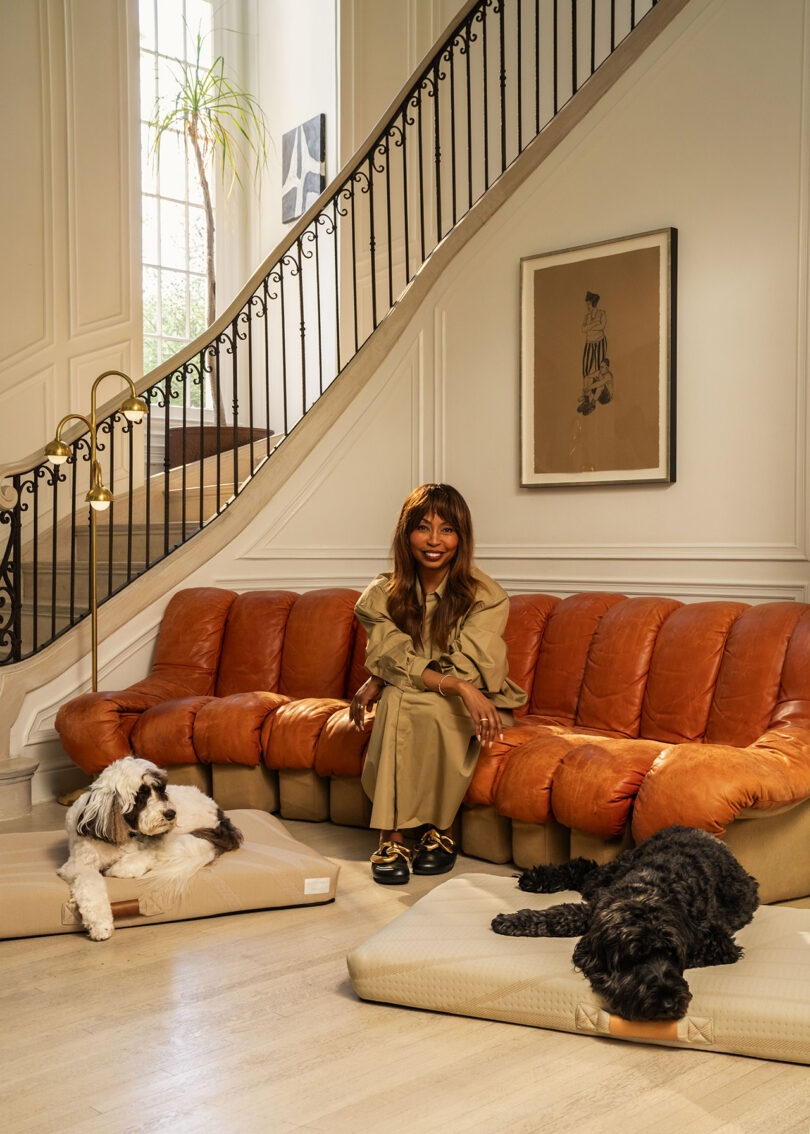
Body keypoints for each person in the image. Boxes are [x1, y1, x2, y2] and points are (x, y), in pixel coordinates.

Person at [349, 484, 527, 885]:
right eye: (423, 528)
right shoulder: (380, 595)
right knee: (400, 699)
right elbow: (390, 653)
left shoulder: (485, 596)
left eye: (447, 530)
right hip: (427, 693)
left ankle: (419, 833)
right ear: (405, 533)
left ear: (461, 538)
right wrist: (384, 676)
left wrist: (388, 678)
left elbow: (467, 671)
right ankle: (408, 837)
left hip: (477, 699)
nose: (434, 541)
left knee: (408, 699)